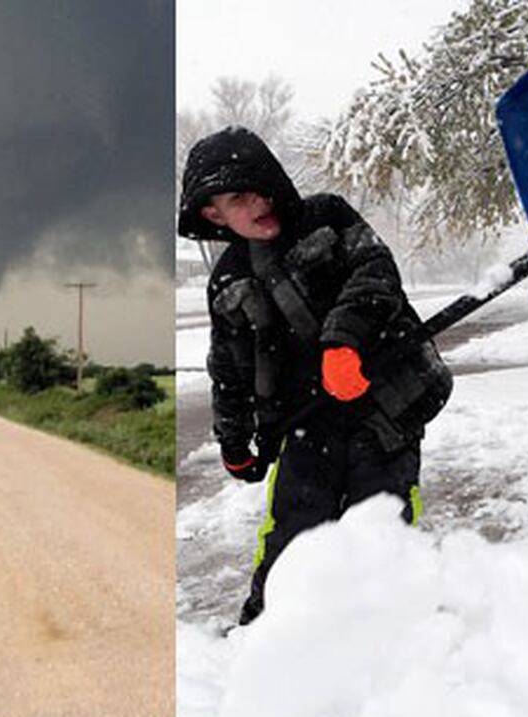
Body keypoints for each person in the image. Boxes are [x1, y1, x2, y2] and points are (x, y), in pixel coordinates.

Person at [178, 126, 452, 625]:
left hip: (383, 408)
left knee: (379, 526)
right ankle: (265, 635)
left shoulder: (327, 216)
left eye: (261, 186)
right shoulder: (229, 280)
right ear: (211, 214)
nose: (259, 201)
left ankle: (390, 636)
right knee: (293, 536)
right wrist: (234, 440)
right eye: (239, 197)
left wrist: (343, 342)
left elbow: (375, 273)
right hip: (305, 423)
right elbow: (228, 369)